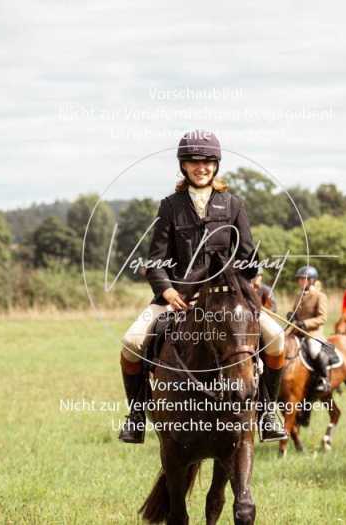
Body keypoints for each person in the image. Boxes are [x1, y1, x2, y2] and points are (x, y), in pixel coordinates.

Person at [118, 130, 288, 444]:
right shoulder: (170, 206)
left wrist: (251, 277)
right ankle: (136, 415)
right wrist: (168, 291)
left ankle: (267, 412)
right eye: (194, 161)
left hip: (227, 297)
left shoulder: (233, 204)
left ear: (216, 165)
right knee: (131, 342)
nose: (201, 167)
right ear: (183, 166)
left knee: (276, 339)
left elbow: (248, 254)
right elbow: (155, 259)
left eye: (208, 161)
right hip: (179, 297)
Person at [287, 265, 339, 394]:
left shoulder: (320, 296)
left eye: (303, 279)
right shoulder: (299, 295)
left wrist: (305, 323)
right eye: (299, 279)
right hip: (296, 331)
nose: (300, 281)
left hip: (312, 333)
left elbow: (322, 318)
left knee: (314, 350)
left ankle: (324, 379)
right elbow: (296, 313)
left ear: (311, 280)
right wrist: (291, 315)